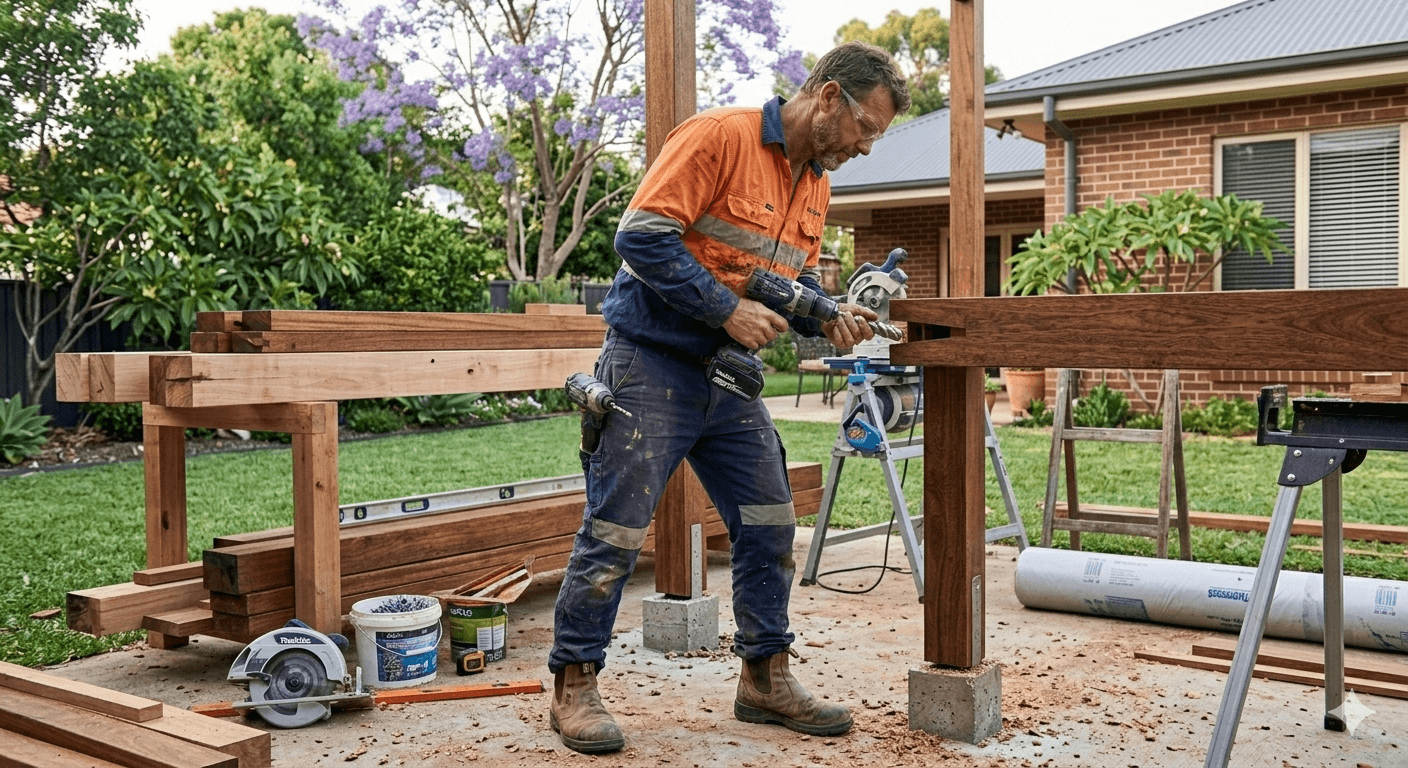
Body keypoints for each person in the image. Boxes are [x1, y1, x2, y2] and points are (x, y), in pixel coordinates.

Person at [548, 41, 910, 754]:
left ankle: (764, 677)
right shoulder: (720, 137)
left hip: (725, 374)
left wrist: (824, 310)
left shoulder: (816, 183)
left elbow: (767, 279)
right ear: (830, 97)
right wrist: (724, 310)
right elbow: (642, 238)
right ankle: (574, 683)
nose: (867, 148)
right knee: (617, 530)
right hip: (651, 363)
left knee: (772, 521)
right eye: (865, 129)